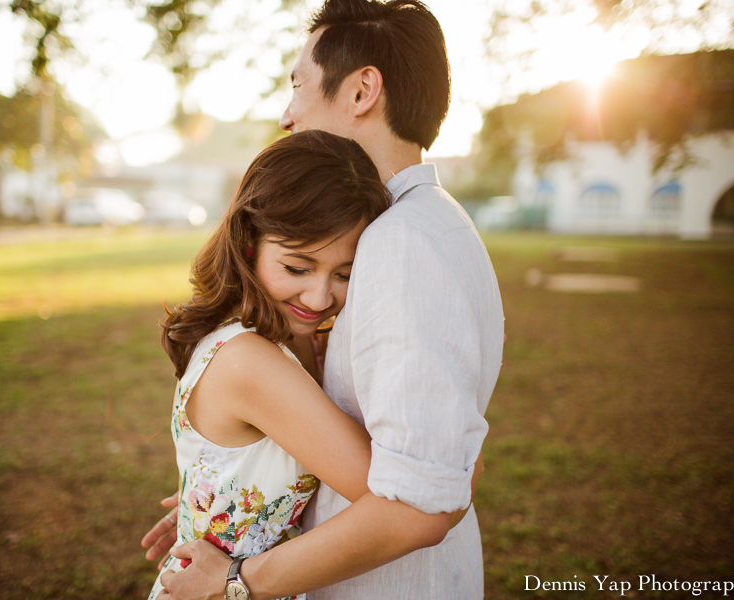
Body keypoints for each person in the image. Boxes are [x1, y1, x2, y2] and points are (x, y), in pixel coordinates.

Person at [144, 0, 504, 598]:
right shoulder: (434, 221)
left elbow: (427, 495)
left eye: (297, 84)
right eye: (300, 264)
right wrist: (233, 501)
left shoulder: (398, 242)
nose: (287, 114)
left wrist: (237, 574)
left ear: (363, 89)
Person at [145, 129, 390, 600]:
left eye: (345, 273)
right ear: (249, 243)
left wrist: (218, 505)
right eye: (297, 268)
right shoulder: (249, 360)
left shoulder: (274, 336)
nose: (320, 297)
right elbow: (389, 489)